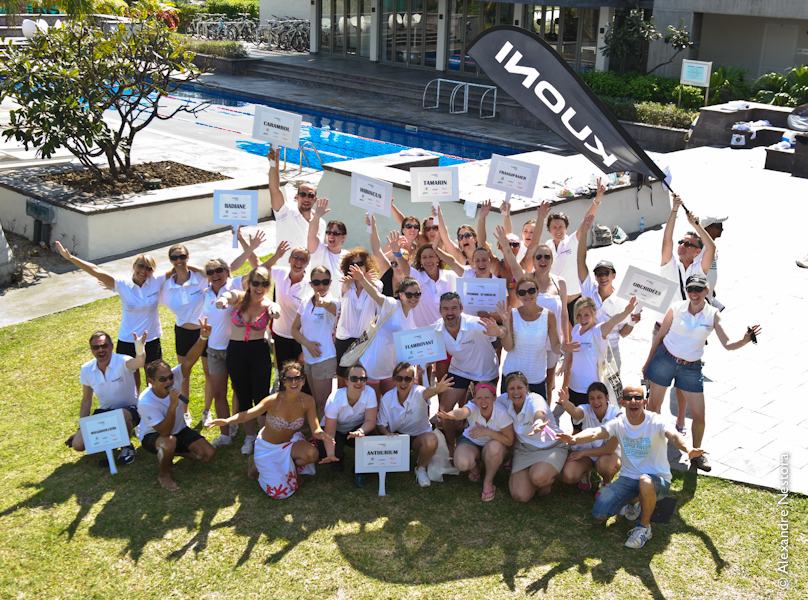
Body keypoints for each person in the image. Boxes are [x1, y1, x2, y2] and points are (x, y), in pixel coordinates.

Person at [557, 386, 707, 549]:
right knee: (599, 513)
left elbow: (674, 435)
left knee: (645, 481)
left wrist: (688, 449)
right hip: (628, 479)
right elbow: (595, 432)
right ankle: (635, 501)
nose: (633, 401)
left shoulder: (655, 420)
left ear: (644, 401)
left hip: (657, 481)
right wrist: (575, 439)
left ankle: (644, 528)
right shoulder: (619, 423)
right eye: (628, 398)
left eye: (637, 398)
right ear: (622, 403)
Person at [643, 274, 761, 472]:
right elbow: (660, 336)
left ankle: (696, 454)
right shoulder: (676, 308)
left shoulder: (713, 314)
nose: (693, 293)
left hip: (691, 367)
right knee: (654, 406)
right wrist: (647, 363)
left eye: (698, 289)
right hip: (665, 359)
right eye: (690, 289)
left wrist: (745, 340)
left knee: (699, 415)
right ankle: (652, 446)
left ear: (707, 290)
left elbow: (728, 344)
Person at [209, 361, 333, 499]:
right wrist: (227, 421)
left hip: (289, 443)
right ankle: (255, 464)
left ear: (303, 381)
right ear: (283, 382)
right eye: (289, 379)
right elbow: (248, 414)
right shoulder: (273, 400)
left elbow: (315, 429)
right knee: (279, 494)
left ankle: (290, 468)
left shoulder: (308, 401)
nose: (294, 382)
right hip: (268, 448)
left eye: (298, 378)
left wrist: (323, 435)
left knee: (312, 454)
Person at [55, 241, 167, 392]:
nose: (143, 270)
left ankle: (152, 405)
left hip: (151, 338)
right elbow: (95, 270)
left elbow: (179, 267)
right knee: (130, 380)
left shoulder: (156, 280)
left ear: (152, 271)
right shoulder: (122, 283)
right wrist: (70, 258)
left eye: (148, 268)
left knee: (153, 379)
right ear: (134, 265)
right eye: (140, 265)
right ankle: (134, 405)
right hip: (128, 339)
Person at [137, 319, 215, 491]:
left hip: (179, 430)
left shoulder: (175, 377)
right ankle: (163, 474)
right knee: (168, 442)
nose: (169, 381)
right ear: (151, 381)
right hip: (155, 435)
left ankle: (175, 453)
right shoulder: (145, 401)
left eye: (170, 377)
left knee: (209, 455)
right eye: (162, 379)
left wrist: (203, 338)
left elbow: (189, 359)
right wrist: (172, 407)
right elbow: (164, 432)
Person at [215, 266, 281, 455]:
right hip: (236, 352)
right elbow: (228, 296)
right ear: (249, 284)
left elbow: (275, 308)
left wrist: (275, 311)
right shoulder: (239, 298)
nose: (260, 288)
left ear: (268, 286)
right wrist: (222, 300)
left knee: (261, 396)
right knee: (243, 395)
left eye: (264, 284)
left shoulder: (268, 304)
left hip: (259, 351)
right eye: (256, 283)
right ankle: (249, 436)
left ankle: (262, 438)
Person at [498, 229, 568, 404]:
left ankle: (545, 412)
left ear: (552, 260)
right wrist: (505, 245)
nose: (543, 260)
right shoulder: (526, 279)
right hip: (527, 335)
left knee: (548, 384)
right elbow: (513, 264)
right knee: (531, 378)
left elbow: (564, 313)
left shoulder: (560, 282)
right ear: (534, 260)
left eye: (547, 257)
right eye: (539, 257)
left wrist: (565, 341)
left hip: (552, 339)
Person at [433, 292, 507, 456]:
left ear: (461, 309)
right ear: (440, 310)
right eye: (445, 309)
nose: (450, 313)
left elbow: (502, 331)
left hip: (485, 372)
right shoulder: (436, 329)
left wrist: (499, 332)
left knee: (485, 408)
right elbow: (420, 347)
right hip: (459, 370)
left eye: (454, 308)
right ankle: (451, 447)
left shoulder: (475, 324)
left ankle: (488, 445)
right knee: (444, 409)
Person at [65, 330, 147, 465]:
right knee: (78, 445)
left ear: (111, 346)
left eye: (104, 346)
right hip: (105, 412)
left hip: (129, 410)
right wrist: (81, 428)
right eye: (96, 347)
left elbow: (139, 363)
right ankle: (107, 436)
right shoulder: (86, 369)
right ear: (91, 350)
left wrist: (139, 348)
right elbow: (86, 400)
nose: (100, 350)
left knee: (121, 415)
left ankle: (127, 447)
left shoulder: (123, 361)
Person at [558, 296, 637, 430]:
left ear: (595, 314)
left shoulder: (599, 331)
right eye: (579, 315)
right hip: (574, 385)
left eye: (587, 315)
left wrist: (626, 312)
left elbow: (613, 321)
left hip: (590, 390)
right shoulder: (576, 329)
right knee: (575, 423)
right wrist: (564, 365)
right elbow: (571, 350)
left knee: (590, 426)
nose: (582, 319)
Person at [576, 213, 641, 370]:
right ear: (595, 276)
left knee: (611, 387)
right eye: (599, 273)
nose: (603, 276)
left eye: (607, 273)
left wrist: (633, 321)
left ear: (614, 275)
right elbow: (580, 261)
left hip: (611, 353)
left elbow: (623, 333)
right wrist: (584, 233)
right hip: (588, 349)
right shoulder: (588, 290)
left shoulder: (624, 300)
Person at [347, 262, 419, 399]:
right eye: (409, 294)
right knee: (373, 404)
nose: (413, 298)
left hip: (391, 368)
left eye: (417, 294)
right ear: (400, 294)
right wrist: (361, 279)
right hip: (373, 365)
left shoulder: (413, 313)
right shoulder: (392, 304)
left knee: (389, 404)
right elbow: (375, 294)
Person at [376, 363, 452, 488]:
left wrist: (436, 390)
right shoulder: (387, 398)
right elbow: (380, 424)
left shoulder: (418, 391)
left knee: (431, 439)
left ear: (413, 380)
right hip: (398, 437)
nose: (403, 382)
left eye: (408, 378)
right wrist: (387, 434)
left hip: (419, 437)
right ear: (394, 380)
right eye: (399, 378)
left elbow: (426, 392)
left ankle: (420, 468)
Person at [437, 383, 514, 501]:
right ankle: (475, 467)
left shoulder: (502, 413)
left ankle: (488, 482)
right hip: (471, 441)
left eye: (487, 397)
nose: (483, 402)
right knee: (461, 464)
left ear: (494, 398)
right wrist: (452, 414)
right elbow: (463, 411)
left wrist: (488, 432)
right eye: (479, 398)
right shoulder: (473, 406)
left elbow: (509, 441)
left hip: (493, 445)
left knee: (495, 447)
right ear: (474, 399)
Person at [498, 371, 567, 502]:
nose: (516, 392)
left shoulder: (535, 399)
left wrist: (538, 422)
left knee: (538, 477)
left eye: (520, 387)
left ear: (527, 388)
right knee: (520, 496)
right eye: (512, 388)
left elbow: (539, 411)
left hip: (551, 447)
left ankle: (547, 481)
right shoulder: (503, 400)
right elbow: (489, 403)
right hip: (524, 450)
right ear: (507, 390)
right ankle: (535, 471)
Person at [159, 243, 207, 426]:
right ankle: (185, 412)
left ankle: (207, 411)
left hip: (204, 331)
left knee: (209, 373)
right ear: (170, 261)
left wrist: (188, 266)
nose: (178, 260)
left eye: (182, 256)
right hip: (182, 333)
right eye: (174, 258)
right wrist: (175, 269)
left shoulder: (200, 278)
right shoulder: (166, 286)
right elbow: (149, 282)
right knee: (183, 374)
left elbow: (215, 271)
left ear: (188, 257)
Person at [316, 364, 378, 487]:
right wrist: (331, 455)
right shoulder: (334, 399)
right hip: (336, 430)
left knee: (370, 438)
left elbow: (370, 421)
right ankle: (337, 459)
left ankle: (359, 471)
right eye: (354, 378)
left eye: (362, 379)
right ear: (346, 381)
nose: (359, 382)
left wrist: (361, 431)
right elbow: (329, 432)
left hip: (356, 429)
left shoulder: (370, 393)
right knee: (326, 449)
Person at [499, 276, 562, 398]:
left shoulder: (549, 315)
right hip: (512, 378)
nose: (527, 295)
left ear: (538, 292)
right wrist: (506, 323)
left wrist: (564, 348)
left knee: (539, 410)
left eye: (531, 291)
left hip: (536, 378)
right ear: (518, 296)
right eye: (522, 292)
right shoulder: (511, 314)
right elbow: (508, 347)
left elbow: (555, 347)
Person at [290, 266, 340, 414]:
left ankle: (328, 428)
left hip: (325, 358)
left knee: (323, 402)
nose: (321, 286)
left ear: (331, 282)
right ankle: (318, 427)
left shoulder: (334, 302)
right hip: (309, 359)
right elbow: (294, 329)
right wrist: (307, 344)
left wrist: (323, 303)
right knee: (317, 401)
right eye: (317, 282)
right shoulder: (306, 302)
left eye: (325, 281)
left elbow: (331, 307)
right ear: (311, 284)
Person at [557, 383, 621, 496]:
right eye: (592, 398)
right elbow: (576, 412)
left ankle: (606, 483)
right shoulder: (586, 409)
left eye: (599, 397)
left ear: (607, 397)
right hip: (587, 456)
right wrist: (566, 403)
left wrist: (582, 453)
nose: (595, 402)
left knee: (605, 465)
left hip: (608, 456)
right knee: (568, 476)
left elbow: (609, 449)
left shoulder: (617, 415)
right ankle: (586, 471)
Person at [334, 249, 381, 386]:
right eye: (352, 265)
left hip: (365, 339)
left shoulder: (376, 284)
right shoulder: (345, 283)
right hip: (344, 337)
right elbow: (344, 289)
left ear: (367, 265)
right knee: (343, 378)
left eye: (360, 264)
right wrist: (352, 282)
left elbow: (377, 293)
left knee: (364, 378)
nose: (356, 267)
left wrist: (364, 280)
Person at [391, 231, 456, 328]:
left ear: (438, 258)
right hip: (425, 335)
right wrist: (397, 253)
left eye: (431, 256)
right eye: (424, 257)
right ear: (420, 261)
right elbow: (405, 267)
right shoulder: (417, 277)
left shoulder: (451, 276)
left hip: (449, 332)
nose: (428, 260)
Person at [264, 244, 311, 369]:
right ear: (289, 259)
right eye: (296, 257)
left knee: (300, 376)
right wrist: (276, 256)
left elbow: (311, 319)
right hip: (280, 335)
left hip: (300, 339)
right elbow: (259, 270)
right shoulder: (281, 273)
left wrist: (305, 350)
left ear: (307, 263)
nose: (299, 262)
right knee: (283, 374)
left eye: (303, 260)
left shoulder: (309, 286)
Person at [268, 147, 325, 249]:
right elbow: (274, 189)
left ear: (315, 200)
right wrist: (274, 164)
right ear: (296, 197)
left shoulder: (321, 223)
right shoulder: (285, 213)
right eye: (303, 195)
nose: (306, 198)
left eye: (310, 195)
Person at [368, 216, 409, 297]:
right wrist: (372, 225)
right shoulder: (386, 271)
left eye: (401, 263)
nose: (398, 267)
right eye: (394, 264)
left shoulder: (413, 278)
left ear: (409, 263)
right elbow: (376, 249)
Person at [307, 198, 348, 276]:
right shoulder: (319, 250)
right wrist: (316, 217)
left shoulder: (348, 257)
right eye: (328, 232)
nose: (331, 236)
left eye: (335, 233)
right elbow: (312, 235)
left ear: (343, 237)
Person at [700, 215, 727, 300]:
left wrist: (711, 288)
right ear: (708, 229)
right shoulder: (701, 246)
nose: (722, 229)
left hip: (708, 293)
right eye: (719, 227)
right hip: (702, 295)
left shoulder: (709, 246)